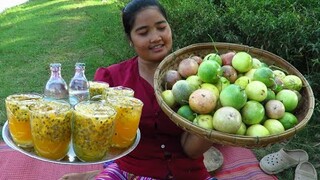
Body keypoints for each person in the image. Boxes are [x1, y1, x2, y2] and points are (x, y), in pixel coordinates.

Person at [93, 0, 215, 179]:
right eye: (143, 32)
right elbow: (100, 137)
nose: (156, 37)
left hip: (186, 172)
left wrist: (215, 115)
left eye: (161, 27)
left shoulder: (197, 78)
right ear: (130, 40)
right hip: (129, 171)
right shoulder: (113, 79)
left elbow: (192, 151)